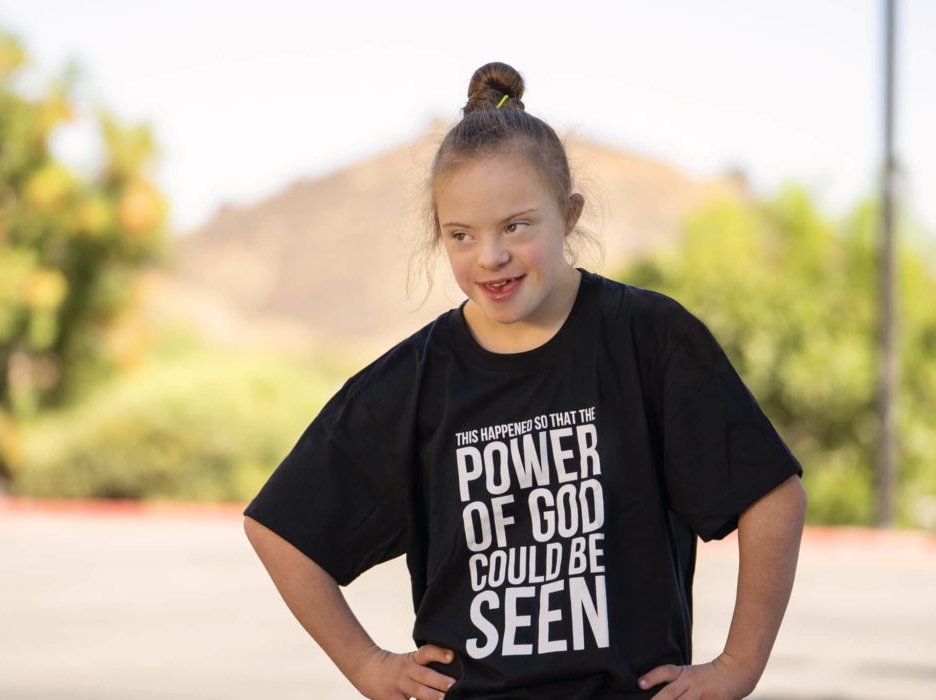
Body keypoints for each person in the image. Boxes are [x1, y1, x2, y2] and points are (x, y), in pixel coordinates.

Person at [243, 61, 807, 700]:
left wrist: (737, 666)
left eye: (516, 226)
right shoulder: (414, 382)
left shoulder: (649, 339)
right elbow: (279, 528)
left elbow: (772, 493)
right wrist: (368, 665)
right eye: (462, 235)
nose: (491, 256)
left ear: (567, 214)